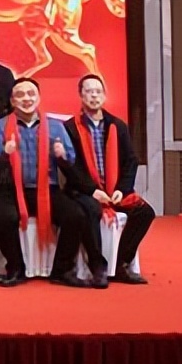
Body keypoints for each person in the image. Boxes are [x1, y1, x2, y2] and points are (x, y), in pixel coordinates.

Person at [0, 78, 96, 288]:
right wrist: (4, 152)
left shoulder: (55, 126)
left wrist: (62, 156)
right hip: (11, 188)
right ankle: (15, 269)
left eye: (31, 94)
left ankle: (62, 270)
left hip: (47, 188)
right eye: (20, 95)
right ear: (12, 100)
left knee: (75, 216)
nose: (26, 99)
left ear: (38, 98)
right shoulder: (1, 126)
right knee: (3, 217)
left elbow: (71, 160)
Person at [63, 74, 153, 285]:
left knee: (145, 212)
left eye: (98, 92)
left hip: (114, 190)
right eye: (89, 91)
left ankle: (121, 263)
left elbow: (131, 161)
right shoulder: (70, 128)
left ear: (104, 95)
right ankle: (98, 267)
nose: (94, 96)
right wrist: (92, 190)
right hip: (85, 191)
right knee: (91, 210)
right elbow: (70, 167)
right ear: (81, 95)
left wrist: (122, 188)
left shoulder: (117, 126)